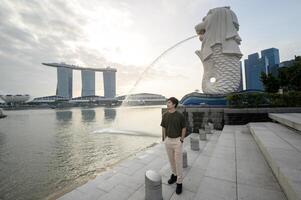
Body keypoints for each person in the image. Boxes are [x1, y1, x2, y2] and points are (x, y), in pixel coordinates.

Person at [160, 97, 186, 195]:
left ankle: (179, 182)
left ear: (174, 104)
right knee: (171, 161)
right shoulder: (165, 115)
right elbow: (163, 127)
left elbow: (184, 128)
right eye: (167, 102)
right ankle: (174, 175)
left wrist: (182, 139)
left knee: (178, 162)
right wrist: (164, 138)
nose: (167, 104)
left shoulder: (180, 115)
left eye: (169, 102)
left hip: (177, 141)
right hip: (168, 141)